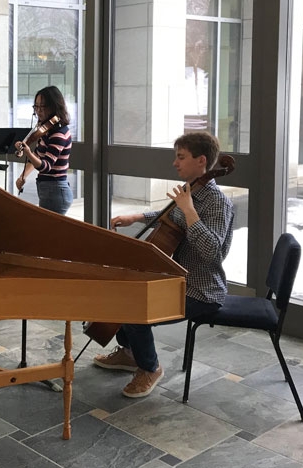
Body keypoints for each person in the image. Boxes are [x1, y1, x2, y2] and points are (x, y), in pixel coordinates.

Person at [93, 132, 234, 398]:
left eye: (181, 157)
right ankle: (130, 352)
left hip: (200, 290)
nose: (175, 163)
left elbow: (213, 253)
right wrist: (136, 216)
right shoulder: (189, 190)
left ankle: (150, 368)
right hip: (175, 279)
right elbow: (169, 218)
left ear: (201, 160)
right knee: (124, 288)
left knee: (136, 308)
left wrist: (190, 210)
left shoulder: (217, 202)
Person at [14, 85, 73, 215]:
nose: (39, 111)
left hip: (56, 191)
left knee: (49, 233)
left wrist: (27, 152)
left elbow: (46, 166)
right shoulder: (47, 130)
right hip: (48, 189)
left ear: (54, 106)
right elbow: (37, 154)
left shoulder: (59, 133)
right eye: (36, 107)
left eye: (43, 107)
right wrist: (23, 175)